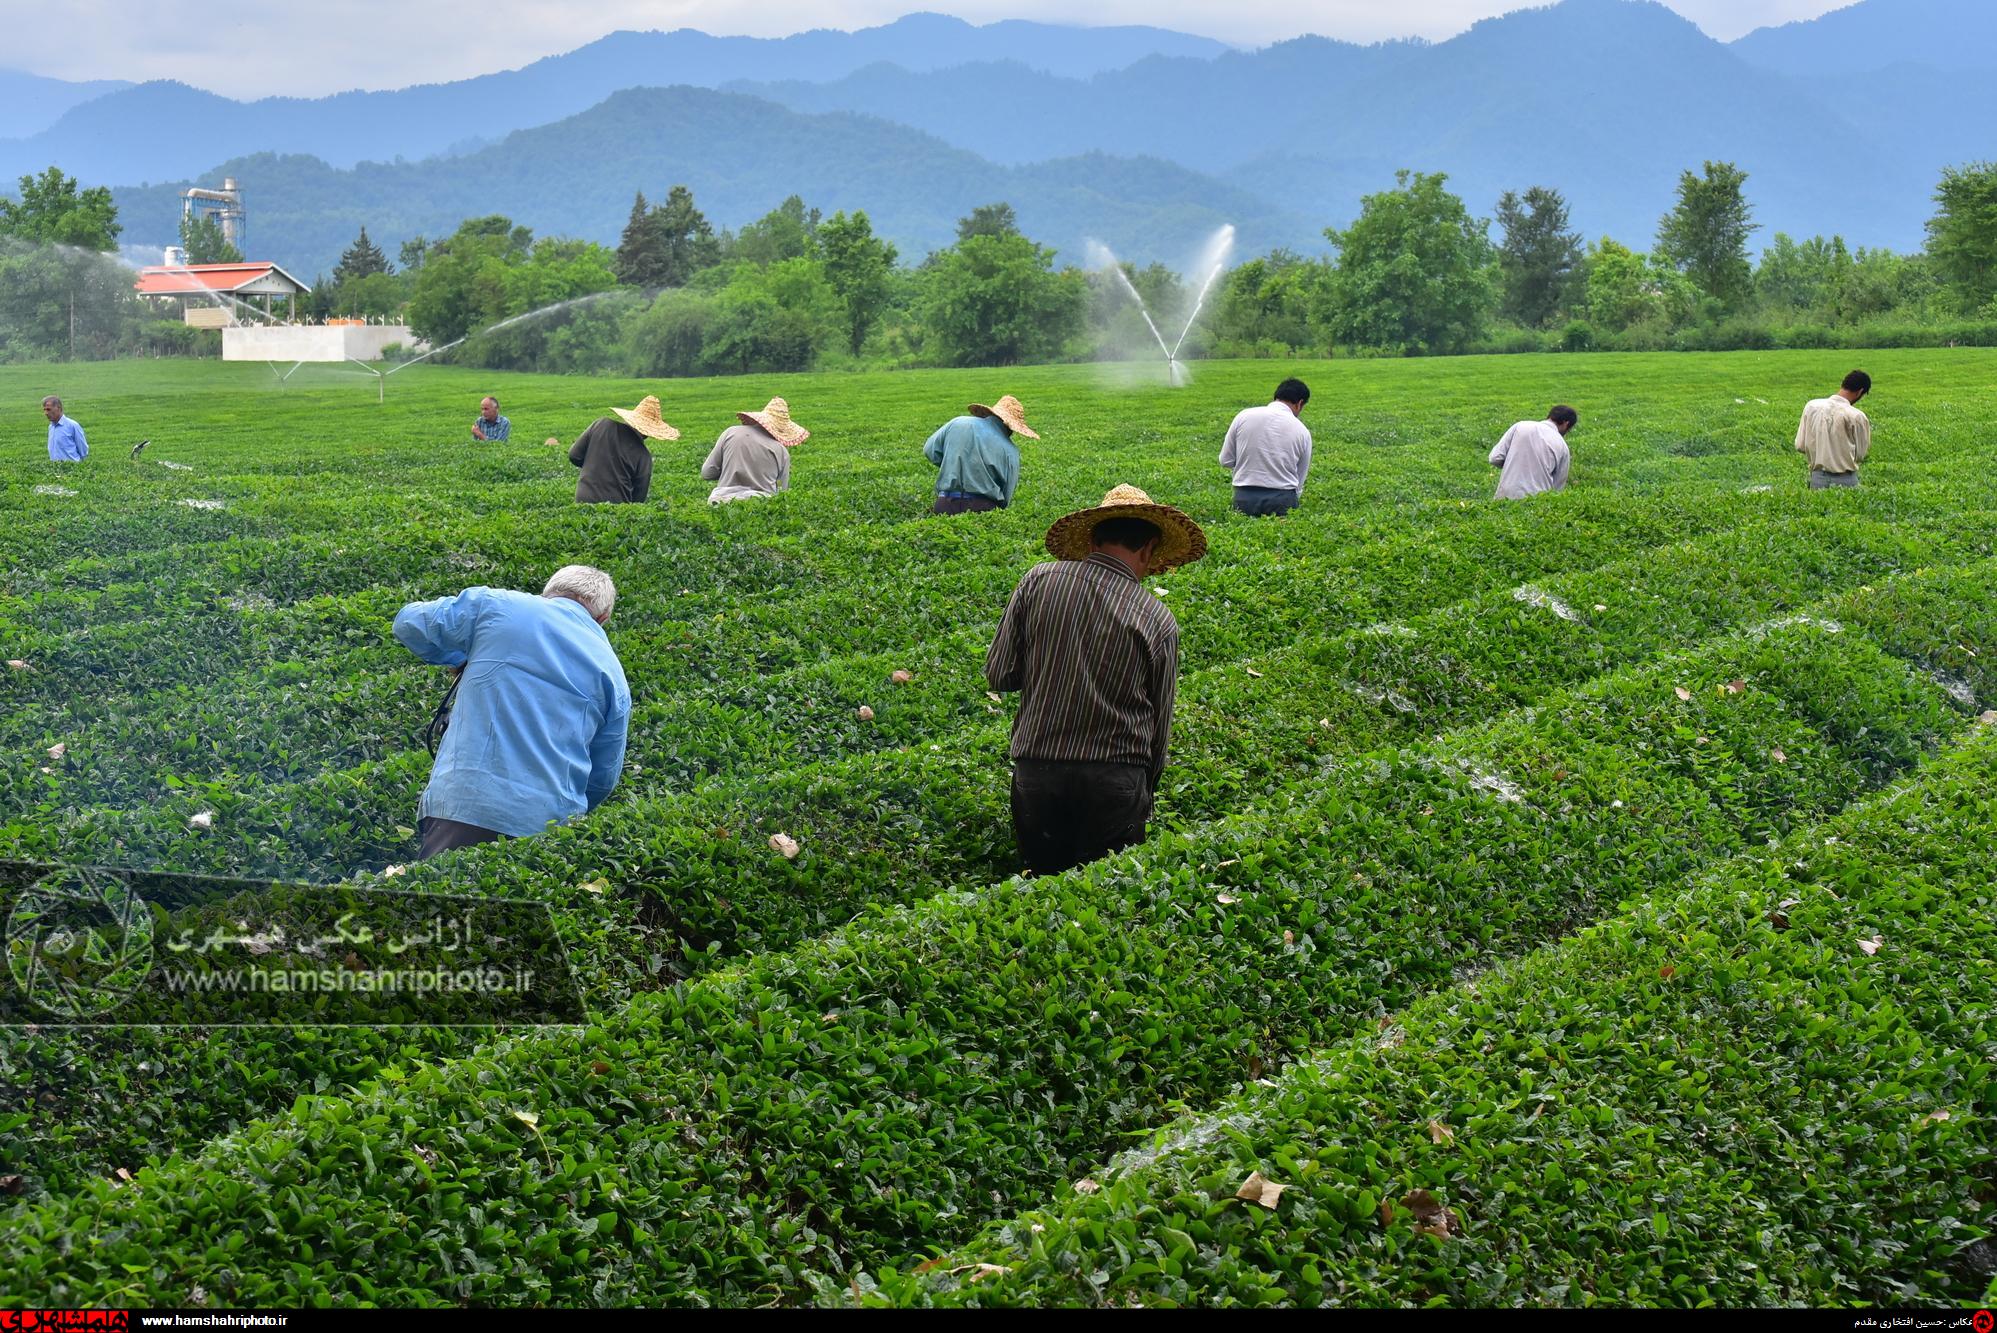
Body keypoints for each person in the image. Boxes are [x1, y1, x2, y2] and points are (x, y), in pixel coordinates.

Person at [985, 484, 1207, 877]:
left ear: (1091, 537)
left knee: (1043, 895)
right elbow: (1160, 723)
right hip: (1115, 781)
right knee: (1102, 904)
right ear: (1148, 548)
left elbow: (1000, 674)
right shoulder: (1157, 619)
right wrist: (1143, 793)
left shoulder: (1037, 581)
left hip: (1039, 771)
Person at [391, 565, 631, 860]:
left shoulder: (497, 606)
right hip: (549, 827)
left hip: (465, 806)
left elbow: (409, 623)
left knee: (445, 901)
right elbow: (602, 778)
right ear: (603, 617)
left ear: (547, 594)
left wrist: (465, 657)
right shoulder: (613, 673)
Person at [924, 395, 1038, 514]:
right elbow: (1006, 496)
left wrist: (953, 465)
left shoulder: (958, 422)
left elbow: (929, 450)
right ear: (1011, 427)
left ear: (990, 414)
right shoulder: (1011, 451)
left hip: (944, 504)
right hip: (983, 509)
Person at [1218, 379, 1311, 516]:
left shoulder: (1243, 416)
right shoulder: (1302, 431)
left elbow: (1225, 460)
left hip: (1244, 498)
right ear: (1300, 403)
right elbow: (1299, 480)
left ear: (1276, 397)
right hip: (1283, 500)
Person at [567, 395, 677, 504]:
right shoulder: (644, 456)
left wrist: (594, 467)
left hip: (584, 499)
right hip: (617, 510)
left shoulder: (602, 424)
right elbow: (639, 498)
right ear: (649, 433)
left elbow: (574, 455)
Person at [701, 397, 810, 504]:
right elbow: (783, 490)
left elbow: (707, 473)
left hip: (722, 501)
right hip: (761, 505)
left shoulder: (731, 432)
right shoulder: (782, 451)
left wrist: (729, 471)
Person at [1795, 370, 1872, 489]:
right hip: (1847, 480)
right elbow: (1860, 454)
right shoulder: (1857, 416)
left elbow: (1800, 445)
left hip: (1817, 478)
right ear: (1860, 392)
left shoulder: (1811, 406)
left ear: (1844, 384)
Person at [1489, 406, 1578, 500]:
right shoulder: (1562, 446)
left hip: (1506, 496)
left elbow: (1495, 458)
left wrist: (1513, 465)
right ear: (1566, 423)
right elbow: (1557, 488)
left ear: (1550, 416)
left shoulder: (1520, 426)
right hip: (1537, 502)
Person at [43, 396, 87, 462]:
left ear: (59, 408)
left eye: (49, 409)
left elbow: (83, 450)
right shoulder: (51, 427)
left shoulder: (72, 425)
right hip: (56, 469)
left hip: (72, 468)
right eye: (44, 410)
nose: (46, 413)